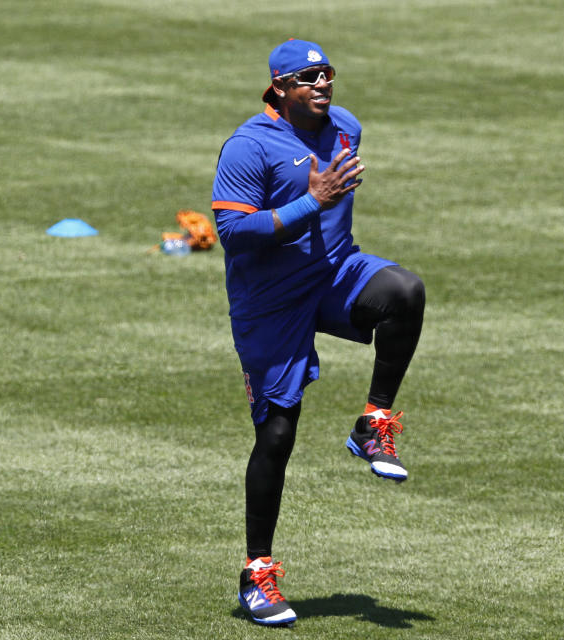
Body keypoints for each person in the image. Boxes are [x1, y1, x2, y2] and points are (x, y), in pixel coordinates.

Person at [211, 38, 425, 627]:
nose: (323, 84)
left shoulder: (347, 128)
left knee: (404, 292)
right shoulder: (249, 145)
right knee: (277, 436)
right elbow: (234, 233)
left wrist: (323, 211)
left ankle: (373, 422)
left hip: (334, 274)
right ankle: (258, 574)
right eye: (308, 77)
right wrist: (312, 201)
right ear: (278, 87)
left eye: (327, 73)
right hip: (269, 302)